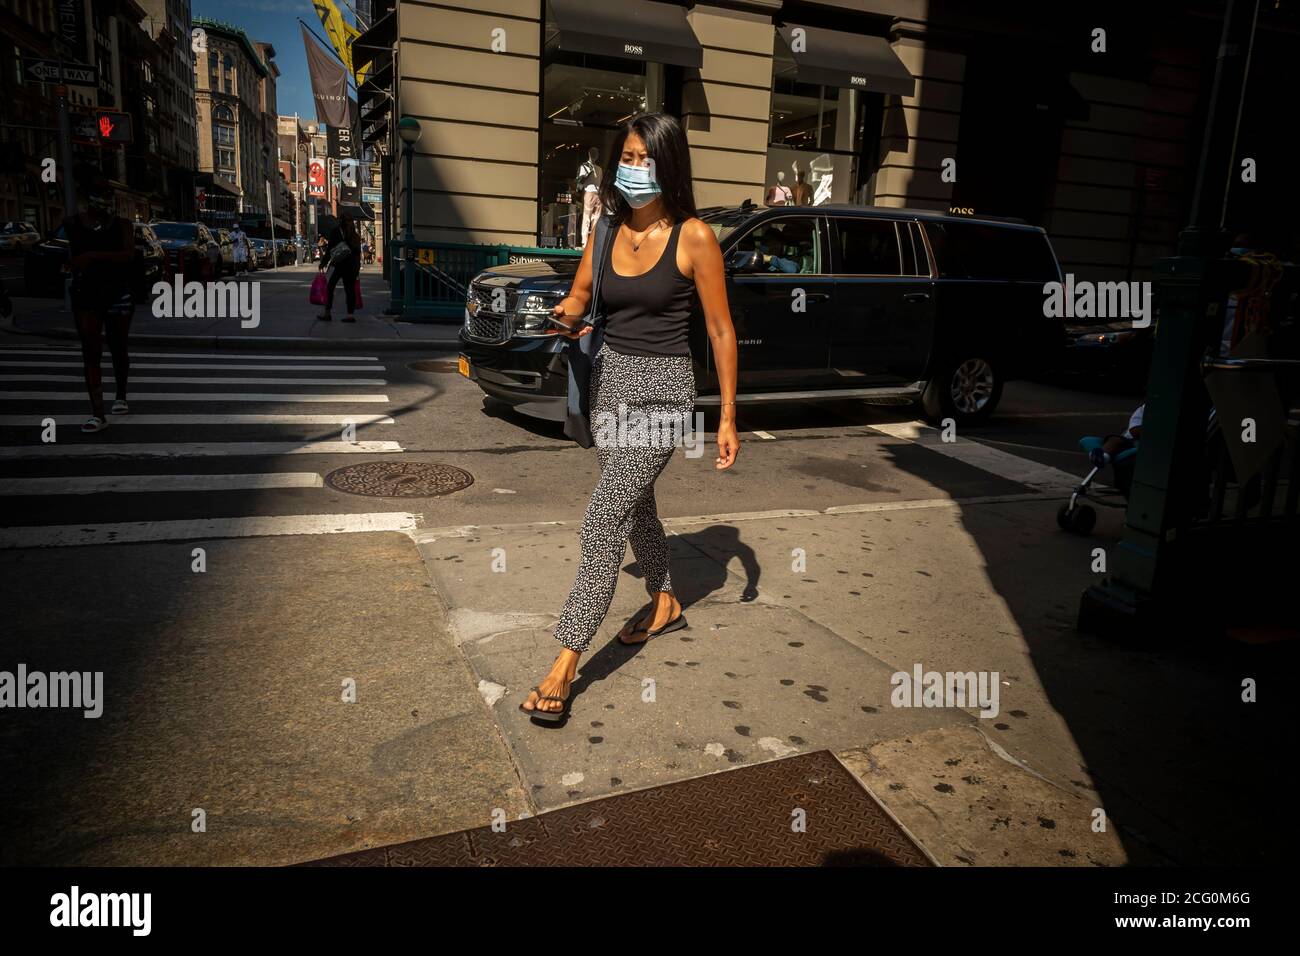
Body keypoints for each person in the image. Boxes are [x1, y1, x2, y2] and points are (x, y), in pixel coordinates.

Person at [518, 112, 740, 721]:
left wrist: (726, 416)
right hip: (611, 381)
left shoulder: (695, 237)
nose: (634, 169)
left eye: (647, 159)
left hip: (664, 391)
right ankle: (665, 598)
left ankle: (564, 664)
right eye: (628, 157)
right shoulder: (607, 227)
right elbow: (581, 297)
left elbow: (721, 331)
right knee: (634, 501)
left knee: (602, 517)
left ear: (670, 167)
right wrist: (558, 316)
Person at [65, 172, 136, 433]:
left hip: (117, 293)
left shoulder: (124, 226)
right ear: (86, 197)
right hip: (87, 294)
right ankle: (97, 413)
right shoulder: (72, 224)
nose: (105, 199)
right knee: (91, 352)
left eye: (108, 194)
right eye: (99, 193)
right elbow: (69, 256)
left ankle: (121, 395)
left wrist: (93, 256)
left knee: (118, 347)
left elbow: (128, 255)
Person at [316, 214, 361, 322]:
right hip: (352, 266)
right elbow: (358, 253)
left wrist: (323, 263)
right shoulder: (355, 234)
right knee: (350, 290)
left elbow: (330, 250)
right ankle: (350, 315)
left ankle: (327, 313)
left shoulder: (336, 232)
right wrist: (357, 267)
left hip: (340, 265)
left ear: (341, 221)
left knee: (330, 287)